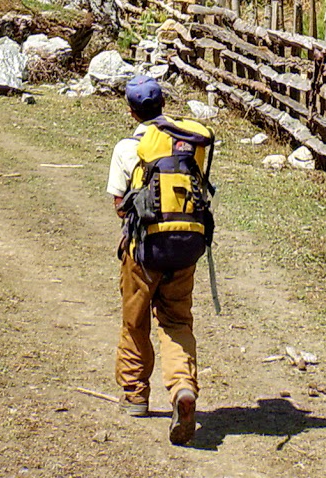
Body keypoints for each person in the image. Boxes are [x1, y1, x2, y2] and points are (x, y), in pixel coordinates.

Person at [105, 74, 204, 445]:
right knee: (177, 321)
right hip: (185, 249)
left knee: (135, 321)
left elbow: (119, 206)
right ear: (163, 104)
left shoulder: (128, 147)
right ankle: (182, 388)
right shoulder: (187, 143)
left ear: (131, 110)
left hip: (143, 252)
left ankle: (135, 395)